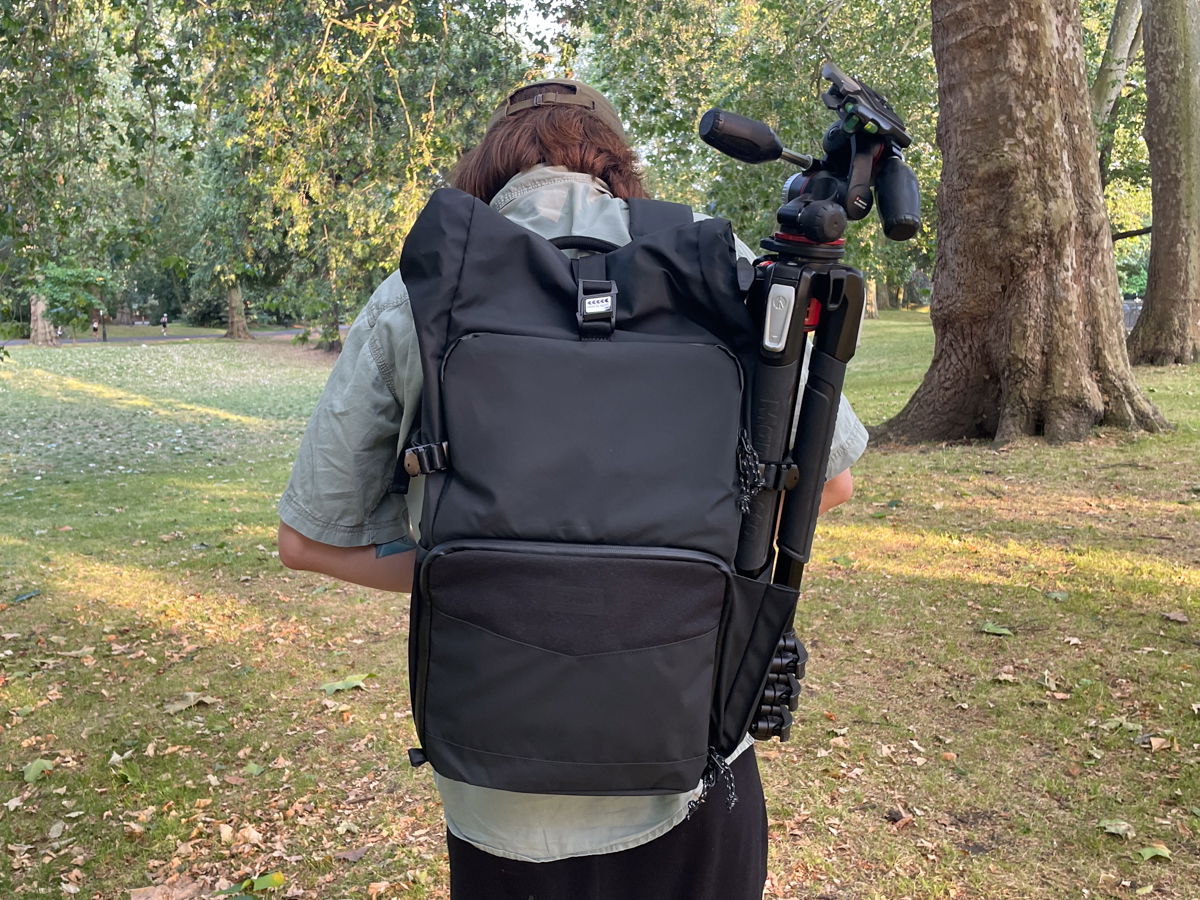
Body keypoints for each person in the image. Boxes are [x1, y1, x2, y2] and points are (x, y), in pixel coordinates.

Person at [277, 79, 867, 900]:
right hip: (690, 754)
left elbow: (307, 541)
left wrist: (485, 572)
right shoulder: (718, 270)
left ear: (485, 167)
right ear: (616, 163)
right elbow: (826, 484)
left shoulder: (417, 295)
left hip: (499, 788)